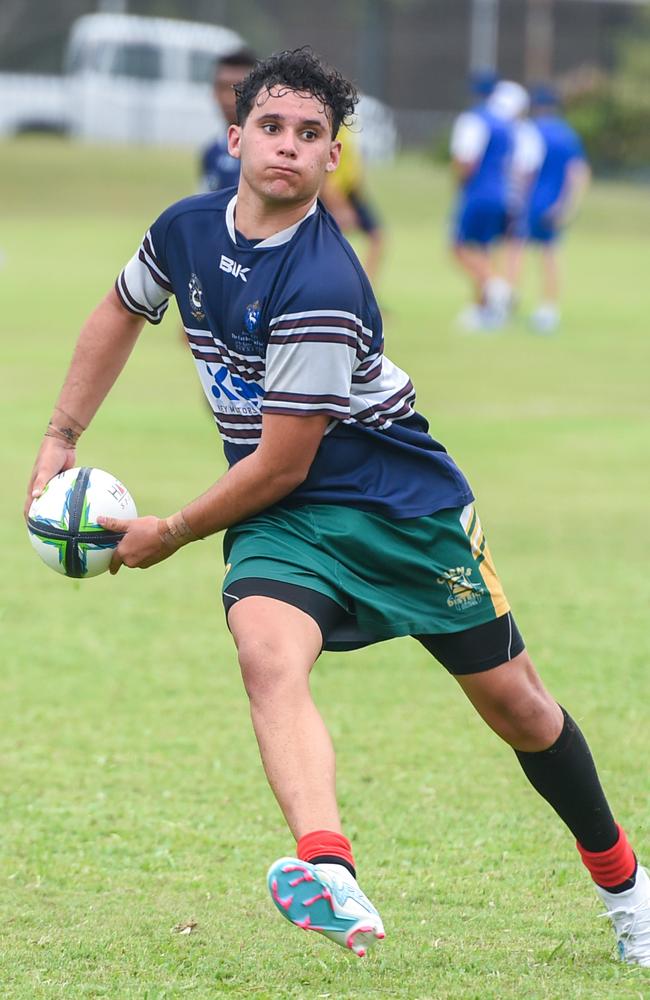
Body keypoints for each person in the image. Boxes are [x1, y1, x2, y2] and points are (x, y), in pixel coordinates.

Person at [25, 49, 649, 966]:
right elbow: (122, 308)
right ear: (235, 137)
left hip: (398, 508)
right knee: (266, 654)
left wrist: (169, 533)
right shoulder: (186, 230)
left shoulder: (323, 282)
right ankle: (327, 862)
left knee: (518, 708)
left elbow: (281, 461)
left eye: (309, 135)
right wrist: (60, 434)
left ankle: (627, 887)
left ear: (332, 160)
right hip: (288, 518)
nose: (286, 146)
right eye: (270, 127)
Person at [508, 84, 591, 333]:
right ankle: (549, 309)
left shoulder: (528, 131)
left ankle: (506, 304)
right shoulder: (567, 135)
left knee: (515, 251)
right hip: (552, 204)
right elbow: (579, 172)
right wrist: (568, 206)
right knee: (549, 255)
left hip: (527, 201)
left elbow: (521, 170)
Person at [450, 80, 529, 331]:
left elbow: (466, 159)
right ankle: (482, 309)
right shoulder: (510, 128)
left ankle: (498, 289)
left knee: (458, 247)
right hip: (503, 193)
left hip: (479, 193)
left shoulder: (475, 120)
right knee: (483, 249)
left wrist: (459, 182)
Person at [319, 124, 385, 285]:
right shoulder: (331, 122)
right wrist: (340, 207)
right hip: (336, 193)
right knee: (329, 243)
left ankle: (365, 289)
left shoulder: (347, 121)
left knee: (377, 237)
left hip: (351, 191)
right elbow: (327, 173)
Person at [200, 48, 258, 192]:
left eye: (238, 89)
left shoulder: (272, 150)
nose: (228, 98)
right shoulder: (212, 152)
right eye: (222, 87)